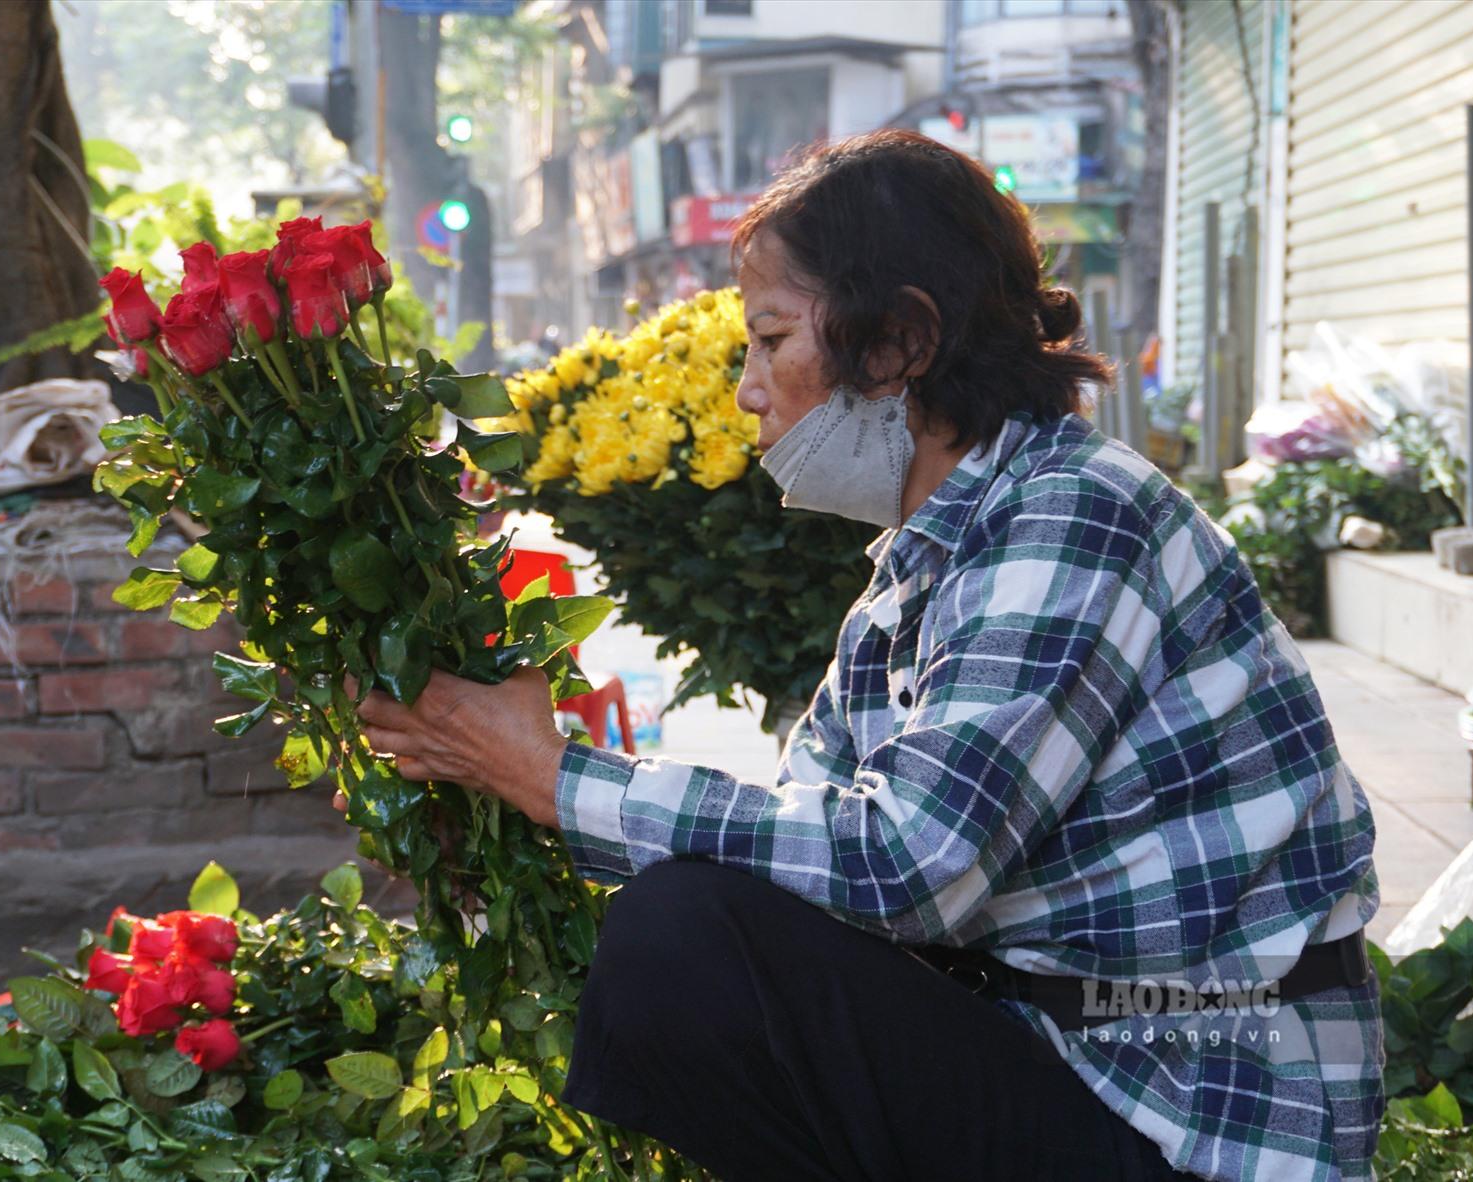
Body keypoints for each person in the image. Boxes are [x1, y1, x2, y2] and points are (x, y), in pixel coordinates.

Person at [350, 130, 1382, 1182]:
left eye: (770, 339)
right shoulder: (923, 560)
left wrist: (552, 779)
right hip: (1067, 1055)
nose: (749, 390)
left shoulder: (1074, 517)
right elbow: (806, 856)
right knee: (702, 932)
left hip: (1191, 1106)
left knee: (683, 942)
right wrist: (505, 785)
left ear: (896, 342)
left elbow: (905, 865)